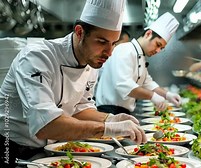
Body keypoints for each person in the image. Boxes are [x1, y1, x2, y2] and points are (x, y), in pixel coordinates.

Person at [0, 0, 146, 166]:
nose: (109, 53)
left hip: (50, 150)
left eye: (113, 43)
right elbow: (44, 125)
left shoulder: (92, 62)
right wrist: (106, 129)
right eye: (102, 41)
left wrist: (110, 119)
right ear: (79, 32)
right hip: (12, 149)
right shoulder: (36, 58)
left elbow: (80, 108)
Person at [95, 12, 182, 115]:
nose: (158, 50)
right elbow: (124, 84)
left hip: (122, 112)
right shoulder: (124, 50)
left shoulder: (140, 56)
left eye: (161, 48)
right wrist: (152, 96)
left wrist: (167, 95)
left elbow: (147, 83)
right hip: (109, 111)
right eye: (158, 45)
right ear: (148, 34)